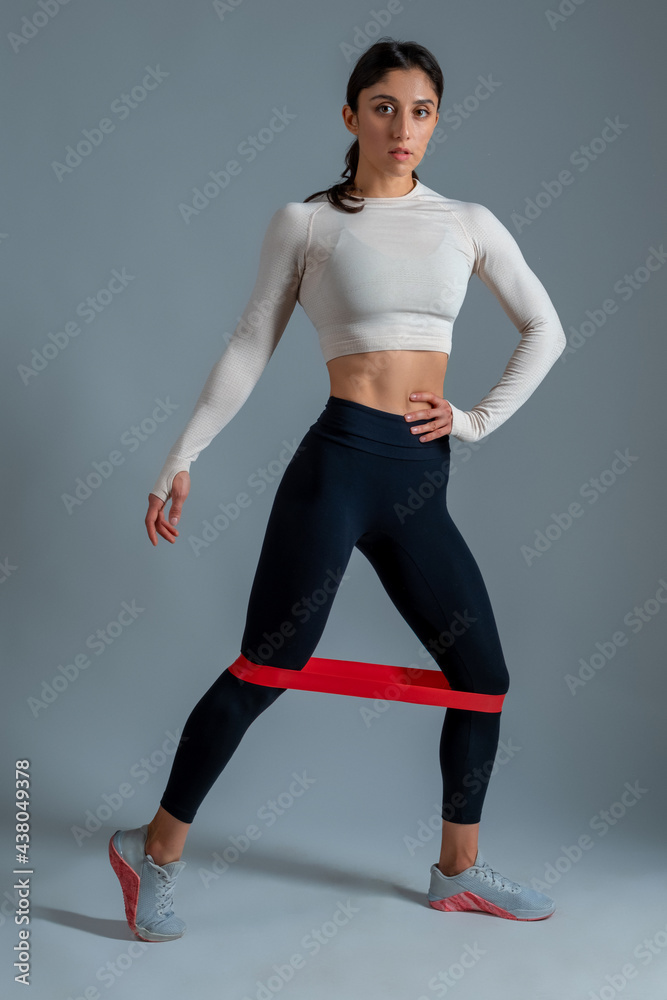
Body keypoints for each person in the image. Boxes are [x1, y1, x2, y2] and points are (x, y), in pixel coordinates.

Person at [109, 38, 566, 941]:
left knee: (480, 678)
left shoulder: (465, 221)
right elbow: (250, 344)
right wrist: (182, 455)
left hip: (418, 481)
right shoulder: (309, 221)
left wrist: (472, 421)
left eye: (423, 110)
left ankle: (456, 874)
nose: (404, 127)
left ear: (438, 121)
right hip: (340, 467)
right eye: (386, 106)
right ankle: (150, 851)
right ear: (351, 113)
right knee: (268, 665)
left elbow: (545, 329)